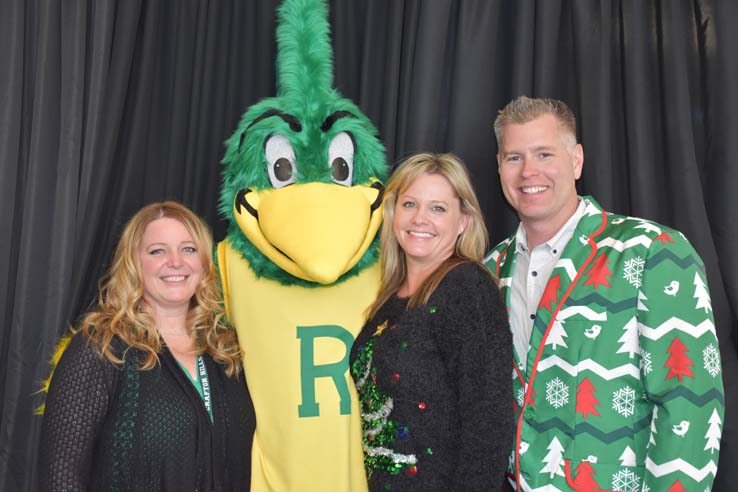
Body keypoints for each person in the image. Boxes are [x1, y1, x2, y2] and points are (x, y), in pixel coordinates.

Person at [485, 96, 724, 491]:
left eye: (544, 154)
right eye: (514, 158)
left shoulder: (651, 249)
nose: (529, 171)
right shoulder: (489, 271)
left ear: (576, 161)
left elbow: (690, 403)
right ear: (499, 167)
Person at [38, 201, 255, 492]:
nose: (175, 262)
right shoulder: (100, 349)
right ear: (133, 264)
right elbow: (60, 479)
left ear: (204, 263)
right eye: (157, 251)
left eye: (188, 249)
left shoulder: (226, 350)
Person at [350, 153, 513, 491]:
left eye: (438, 208)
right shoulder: (389, 299)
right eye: (410, 204)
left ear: (463, 221)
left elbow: (487, 423)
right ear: (394, 214)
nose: (420, 219)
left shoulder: (467, 288)